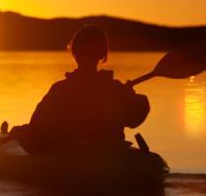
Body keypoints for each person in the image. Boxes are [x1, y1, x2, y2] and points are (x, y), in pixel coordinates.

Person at [12, 25, 150, 154]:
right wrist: (131, 95)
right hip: (110, 152)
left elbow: (38, 131)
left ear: (75, 51)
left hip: (73, 155)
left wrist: (19, 133)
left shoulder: (60, 90)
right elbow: (134, 119)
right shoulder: (116, 88)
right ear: (102, 54)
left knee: (25, 133)